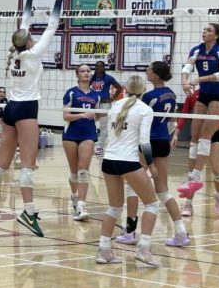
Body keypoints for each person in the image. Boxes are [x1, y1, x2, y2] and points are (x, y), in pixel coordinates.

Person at [0, 0, 66, 237]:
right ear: (28, 42)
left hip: (11, 108)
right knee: (28, 164)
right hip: (26, 110)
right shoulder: (34, 53)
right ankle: (28, 210)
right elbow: (52, 25)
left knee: (3, 162)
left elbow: (23, 24)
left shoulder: (13, 52)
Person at [94, 74, 162, 268]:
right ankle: (144, 249)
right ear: (144, 90)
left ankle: (104, 250)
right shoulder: (145, 110)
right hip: (128, 161)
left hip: (109, 160)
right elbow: (144, 142)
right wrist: (151, 165)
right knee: (152, 205)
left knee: (114, 207)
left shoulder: (116, 106)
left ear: (125, 88)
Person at [178, 22, 219, 202]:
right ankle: (191, 190)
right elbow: (187, 67)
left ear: (216, 35)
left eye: (209, 30)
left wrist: (199, 79)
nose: (204, 32)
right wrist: (185, 81)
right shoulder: (197, 49)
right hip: (204, 96)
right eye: (204, 30)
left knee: (204, 137)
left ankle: (196, 177)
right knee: (194, 137)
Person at [138, 61, 189, 247]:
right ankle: (181, 232)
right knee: (163, 190)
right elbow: (171, 119)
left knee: (133, 186)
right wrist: (174, 133)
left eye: (149, 70)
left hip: (148, 142)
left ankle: (130, 231)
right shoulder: (172, 94)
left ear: (156, 75)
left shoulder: (149, 96)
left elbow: (140, 119)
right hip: (162, 141)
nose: (146, 72)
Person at [62, 64, 101, 222]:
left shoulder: (96, 96)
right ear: (77, 75)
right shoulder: (71, 93)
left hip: (88, 134)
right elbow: (65, 116)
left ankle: (81, 206)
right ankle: (74, 196)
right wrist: (82, 115)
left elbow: (96, 115)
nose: (86, 73)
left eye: (88, 71)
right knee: (73, 172)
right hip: (71, 134)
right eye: (82, 71)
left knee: (83, 171)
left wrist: (95, 116)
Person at [90, 59, 120, 156]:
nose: (98, 67)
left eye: (101, 66)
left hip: (104, 105)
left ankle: (100, 147)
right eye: (97, 66)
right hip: (93, 104)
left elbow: (119, 88)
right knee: (89, 123)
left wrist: (112, 98)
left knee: (103, 126)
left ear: (104, 68)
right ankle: (88, 144)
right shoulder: (91, 78)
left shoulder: (108, 78)